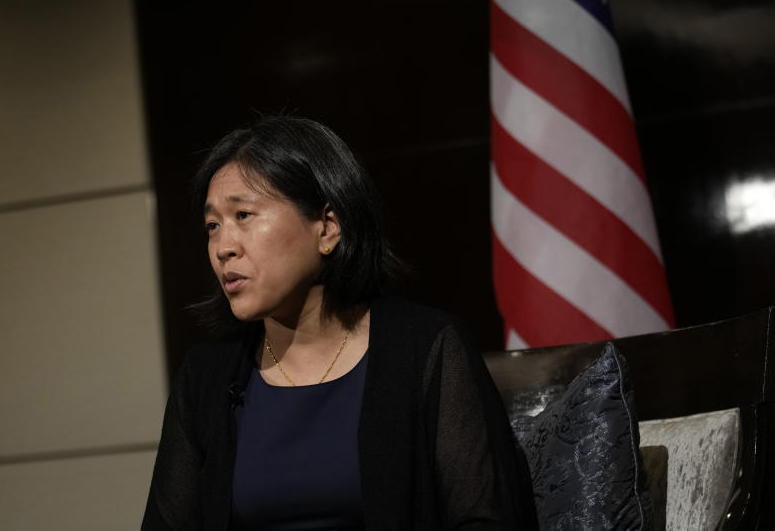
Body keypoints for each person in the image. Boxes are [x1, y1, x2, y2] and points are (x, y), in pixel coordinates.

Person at [141, 116, 537, 530]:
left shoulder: (425, 348)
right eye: (212, 225)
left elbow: (485, 518)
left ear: (327, 228)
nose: (223, 246)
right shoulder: (206, 376)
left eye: (243, 214)